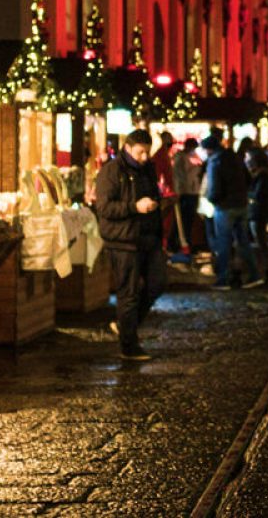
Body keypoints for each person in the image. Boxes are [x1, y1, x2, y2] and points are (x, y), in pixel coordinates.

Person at [95, 129, 169, 361]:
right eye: (140, 152)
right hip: (123, 240)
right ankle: (129, 346)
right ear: (128, 148)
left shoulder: (147, 168)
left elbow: (152, 194)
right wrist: (134, 207)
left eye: (147, 152)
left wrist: (158, 205)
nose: (145, 157)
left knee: (157, 283)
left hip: (148, 237)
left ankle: (127, 324)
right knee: (128, 293)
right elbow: (105, 208)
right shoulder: (111, 171)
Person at [202, 133, 263, 290]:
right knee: (243, 242)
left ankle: (223, 279)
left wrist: (211, 200)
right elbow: (248, 179)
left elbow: (214, 189)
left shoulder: (215, 161)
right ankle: (254, 275)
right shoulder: (235, 157)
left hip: (224, 207)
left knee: (223, 243)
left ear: (208, 150)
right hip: (241, 205)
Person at [239, 138, 268, 286]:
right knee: (259, 242)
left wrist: (246, 194)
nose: (246, 161)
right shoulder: (258, 175)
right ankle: (265, 270)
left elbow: (259, 194)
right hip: (256, 211)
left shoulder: (263, 176)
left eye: (248, 158)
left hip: (258, 212)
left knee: (261, 242)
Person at [171, 135, 205, 262]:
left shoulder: (190, 157)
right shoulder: (181, 157)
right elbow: (180, 176)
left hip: (192, 192)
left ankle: (185, 243)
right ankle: (181, 244)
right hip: (186, 193)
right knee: (183, 220)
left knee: (188, 220)